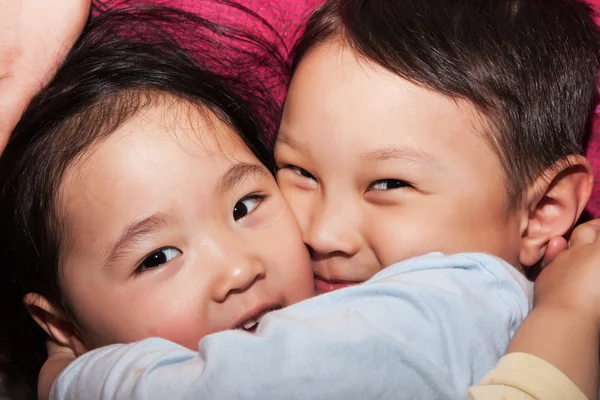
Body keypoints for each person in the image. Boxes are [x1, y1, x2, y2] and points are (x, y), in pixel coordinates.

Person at [25, 1, 598, 399]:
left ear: (544, 211)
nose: (322, 232)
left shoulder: (456, 297)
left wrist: (71, 379)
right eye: (297, 171)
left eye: (388, 184)